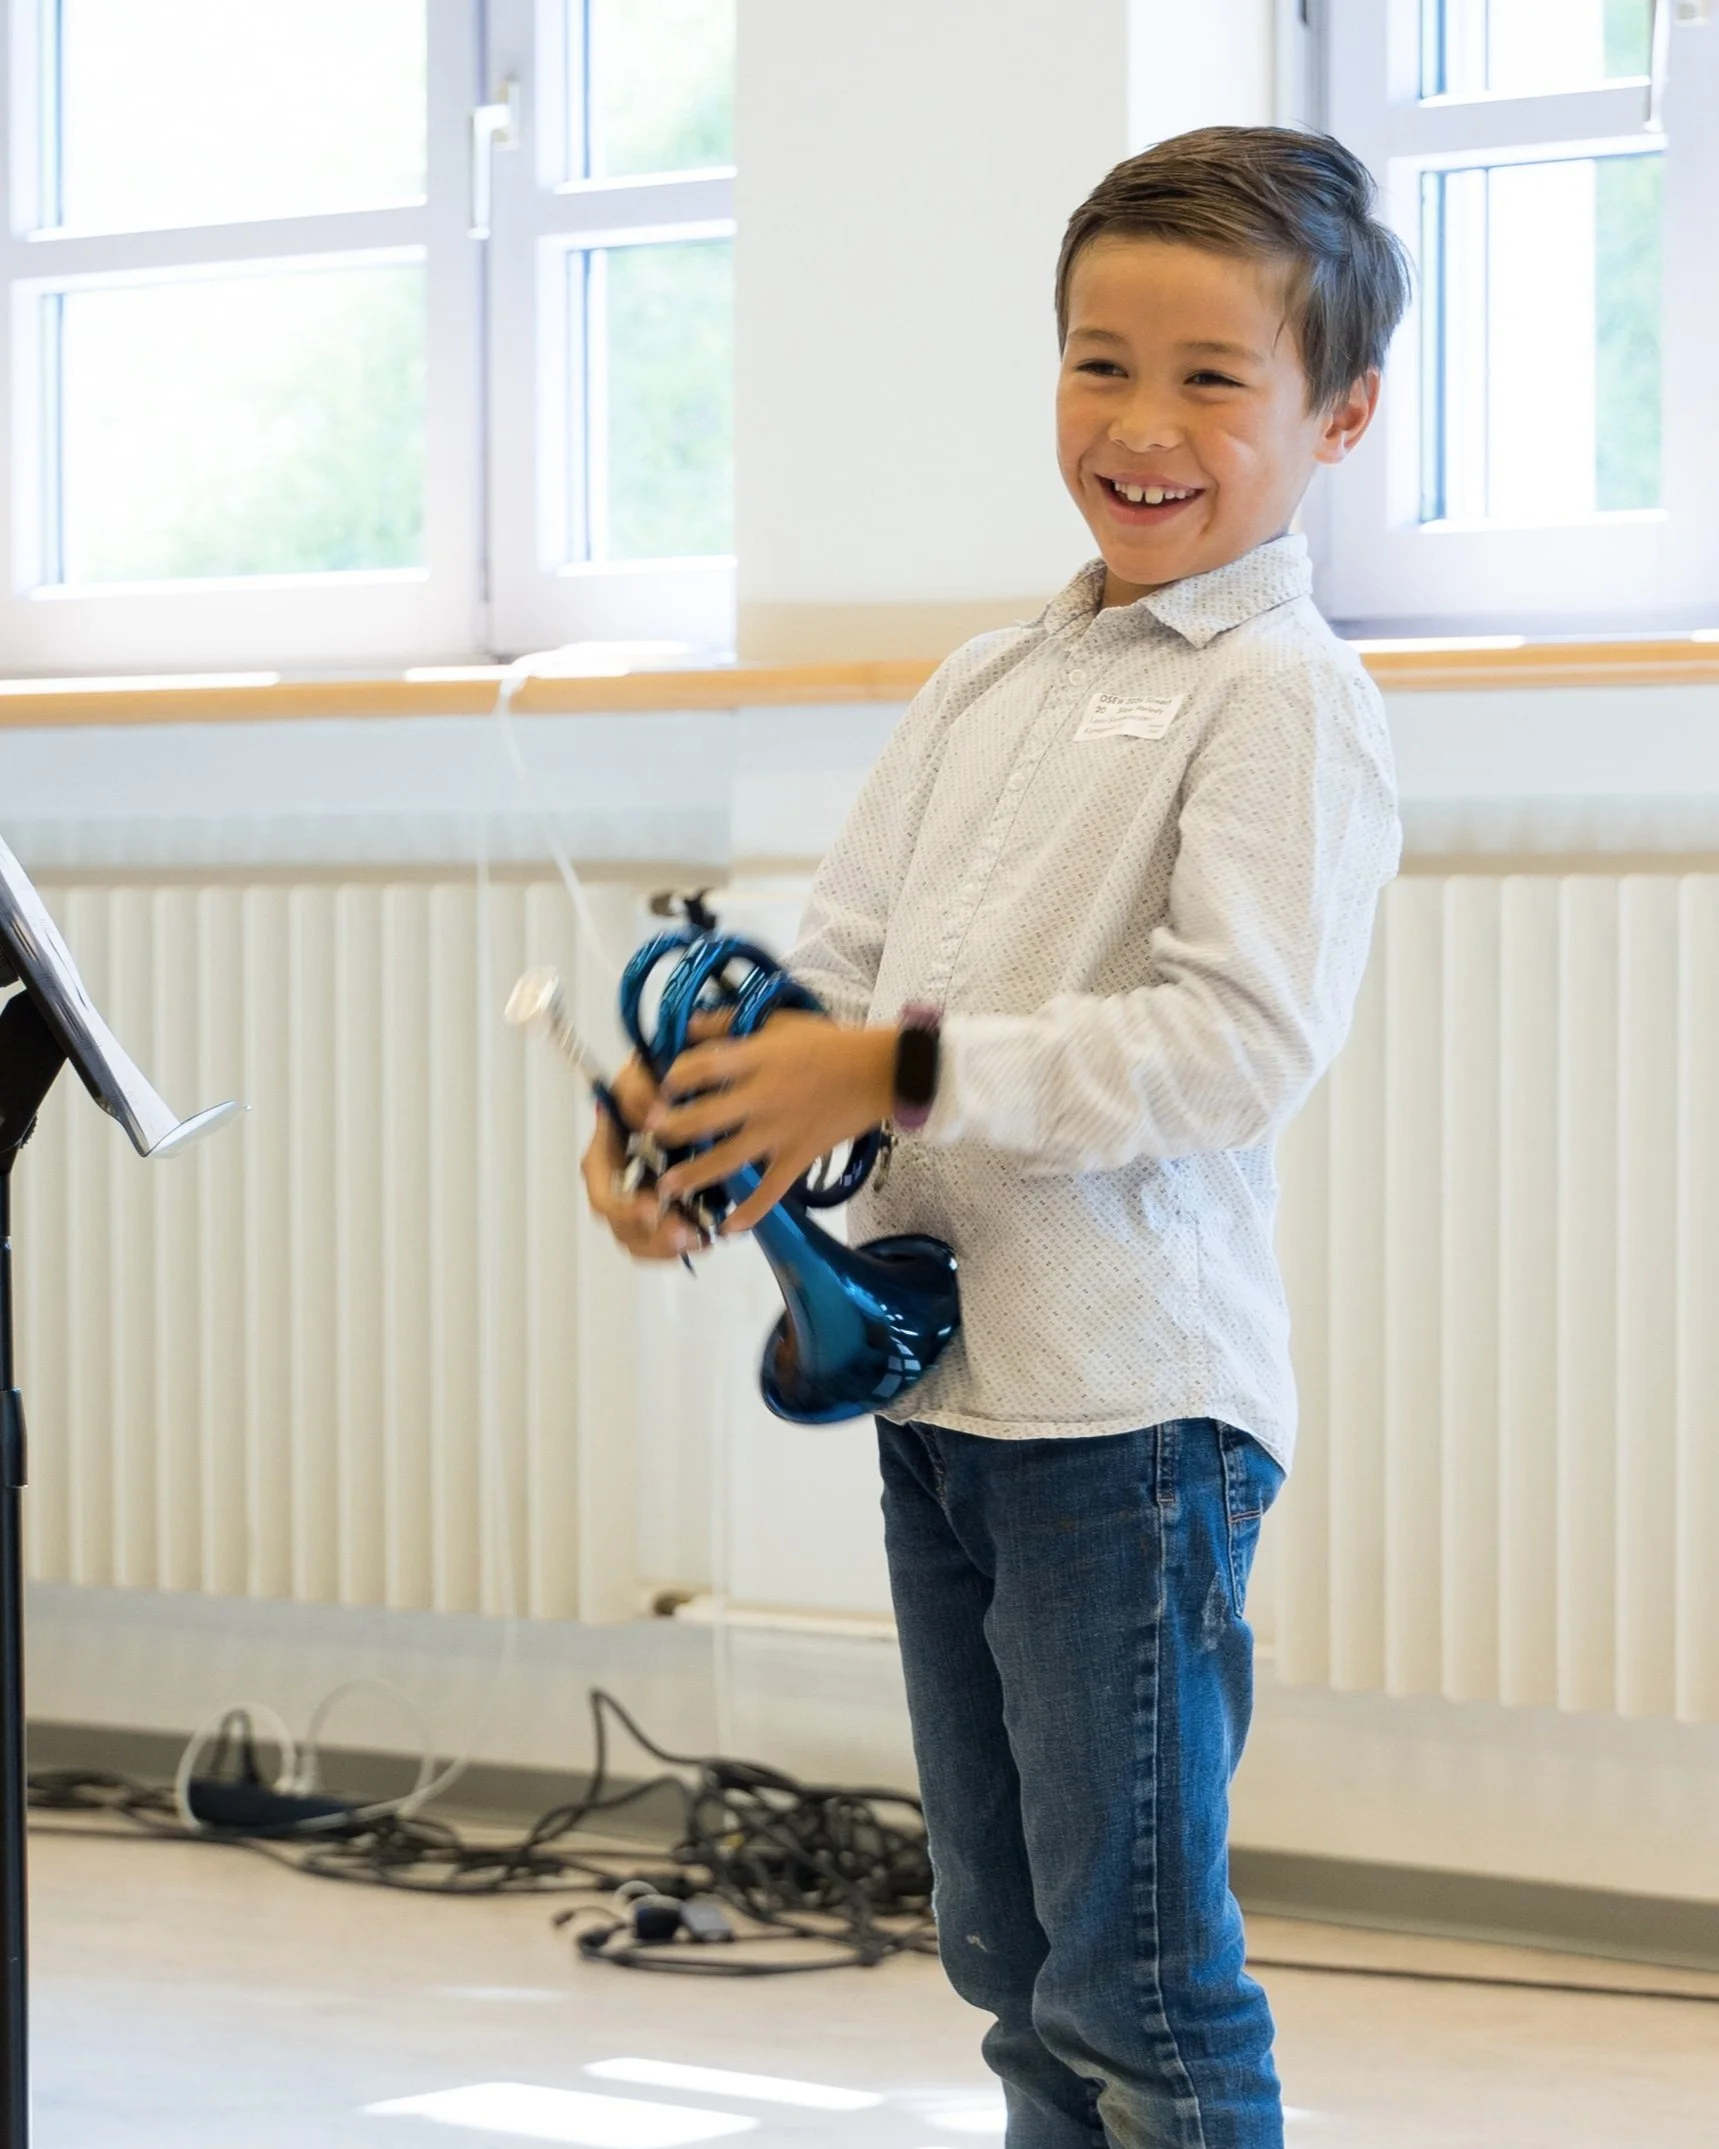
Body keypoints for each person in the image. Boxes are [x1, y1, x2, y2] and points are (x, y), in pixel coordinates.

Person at [583, 125, 1409, 2149]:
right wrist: (683, 1134)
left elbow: (1229, 1047)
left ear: (1339, 415)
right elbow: (831, 981)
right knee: (1004, 1955)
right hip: (954, 1402)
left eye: (1211, 378)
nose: (1139, 424)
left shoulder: (1284, 700)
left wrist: (888, 1076)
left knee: (1130, 1974)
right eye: (1095, 361)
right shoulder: (983, 685)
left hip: (1127, 1422)